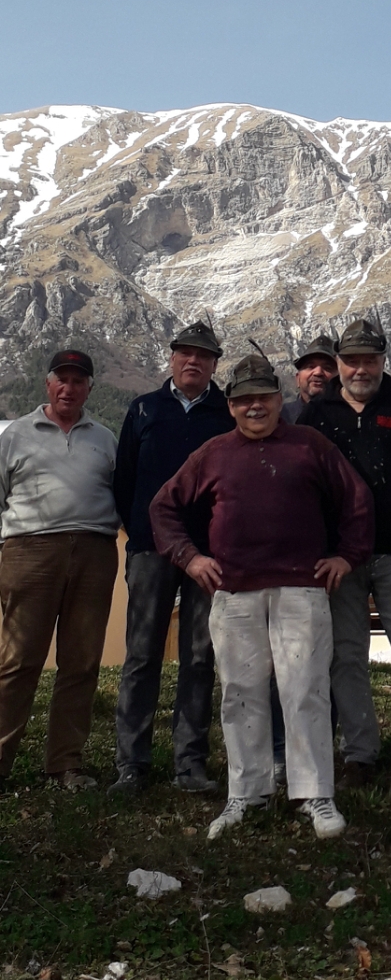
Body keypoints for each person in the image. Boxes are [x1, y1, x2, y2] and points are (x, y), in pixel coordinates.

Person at [150, 352, 374, 839]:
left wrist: (347, 556)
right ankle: (246, 792)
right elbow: (163, 506)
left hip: (301, 588)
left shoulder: (310, 445)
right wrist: (190, 559)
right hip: (234, 592)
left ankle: (315, 794)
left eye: (264, 397)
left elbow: (356, 499)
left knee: (305, 689)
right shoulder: (213, 453)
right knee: (239, 692)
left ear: (278, 399)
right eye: (244, 399)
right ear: (231, 406)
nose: (255, 407)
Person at [298, 317, 391, 788]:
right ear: (339, 364)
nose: (360, 369)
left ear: (383, 361)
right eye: (351, 361)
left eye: (369, 360)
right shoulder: (316, 414)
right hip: (338, 558)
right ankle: (360, 753)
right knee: (346, 655)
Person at [110, 321, 233, 796]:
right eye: (185, 352)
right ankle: (132, 764)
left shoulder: (227, 412)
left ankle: (190, 764)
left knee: (199, 658)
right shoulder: (144, 409)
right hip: (150, 552)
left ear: (214, 364)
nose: (192, 361)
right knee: (142, 655)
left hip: (208, 554)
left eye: (202, 355)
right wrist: (141, 533)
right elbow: (124, 480)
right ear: (172, 357)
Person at [0, 350, 120, 792]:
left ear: (89, 388)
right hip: (30, 550)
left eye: (78, 381)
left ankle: (65, 764)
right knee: (18, 659)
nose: (69, 388)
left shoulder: (105, 438)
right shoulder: (15, 435)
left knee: (82, 662)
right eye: (62, 380)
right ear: (47, 385)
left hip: (94, 550)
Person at [281, 334, 338, 423]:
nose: (318, 372)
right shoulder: (280, 418)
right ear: (298, 379)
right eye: (310, 366)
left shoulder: (351, 417)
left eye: (327, 368)